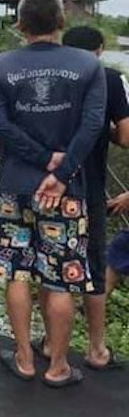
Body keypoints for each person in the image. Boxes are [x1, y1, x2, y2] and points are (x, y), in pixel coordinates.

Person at [0, 0, 106, 387]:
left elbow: (0, 126)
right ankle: (57, 366)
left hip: (15, 186)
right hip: (66, 192)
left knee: (17, 271)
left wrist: (39, 159)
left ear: (19, 25)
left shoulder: (0, 67)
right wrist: (62, 167)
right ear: (62, 22)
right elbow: (92, 126)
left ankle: (23, 357)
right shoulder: (89, 66)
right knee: (61, 278)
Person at [39, 26, 129, 369]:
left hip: (47, 183)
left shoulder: (50, 75)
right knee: (92, 266)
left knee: (49, 263)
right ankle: (96, 349)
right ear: (100, 49)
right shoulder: (109, 78)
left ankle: (49, 342)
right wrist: (101, 126)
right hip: (88, 186)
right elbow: (125, 137)